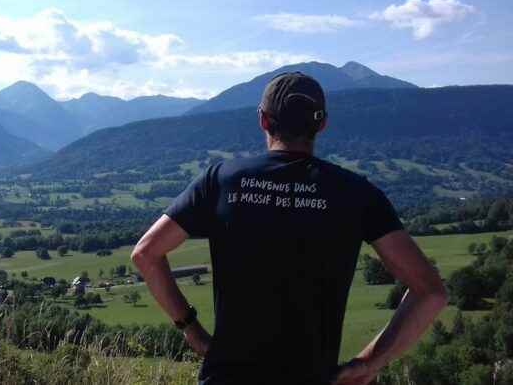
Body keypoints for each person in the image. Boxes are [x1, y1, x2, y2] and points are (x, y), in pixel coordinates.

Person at [131, 72, 447, 385]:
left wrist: (191, 328)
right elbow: (430, 293)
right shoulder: (356, 193)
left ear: (263, 120)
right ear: (322, 124)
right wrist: (369, 363)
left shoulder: (221, 179)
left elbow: (146, 254)